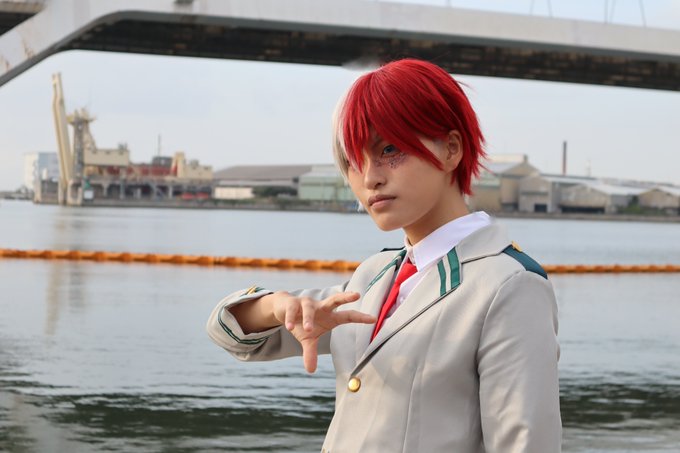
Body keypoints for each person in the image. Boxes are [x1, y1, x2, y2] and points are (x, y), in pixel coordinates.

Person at [206, 58, 561, 452]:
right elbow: (229, 334)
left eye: (389, 150)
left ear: (451, 149)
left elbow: (525, 444)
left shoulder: (508, 286)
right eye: (353, 161)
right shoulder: (374, 276)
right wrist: (277, 307)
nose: (369, 178)